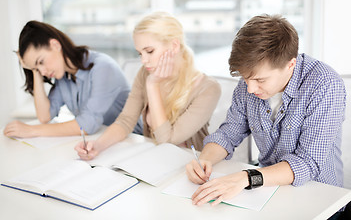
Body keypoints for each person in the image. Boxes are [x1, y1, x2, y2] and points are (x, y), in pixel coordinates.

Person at [186, 14, 347, 208]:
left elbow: (307, 163)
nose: (251, 89)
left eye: (260, 80)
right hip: (267, 191)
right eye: (246, 79)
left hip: (319, 198)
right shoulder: (250, 81)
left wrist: (246, 178)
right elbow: (228, 134)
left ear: (290, 65)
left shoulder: (326, 85)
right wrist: (204, 160)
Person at [75, 11, 221, 160]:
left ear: (174, 46)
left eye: (149, 51)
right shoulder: (145, 73)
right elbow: (126, 121)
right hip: (155, 159)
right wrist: (97, 146)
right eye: (140, 53)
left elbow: (167, 140)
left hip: (191, 164)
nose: (144, 60)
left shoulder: (208, 88)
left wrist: (152, 85)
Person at [3, 20, 142, 138]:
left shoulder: (103, 67)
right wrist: (34, 70)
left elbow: (87, 124)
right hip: (101, 142)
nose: (43, 72)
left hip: (134, 141)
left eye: (41, 62)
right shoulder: (63, 77)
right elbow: (45, 116)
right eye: (37, 68)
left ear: (55, 45)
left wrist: (31, 130)